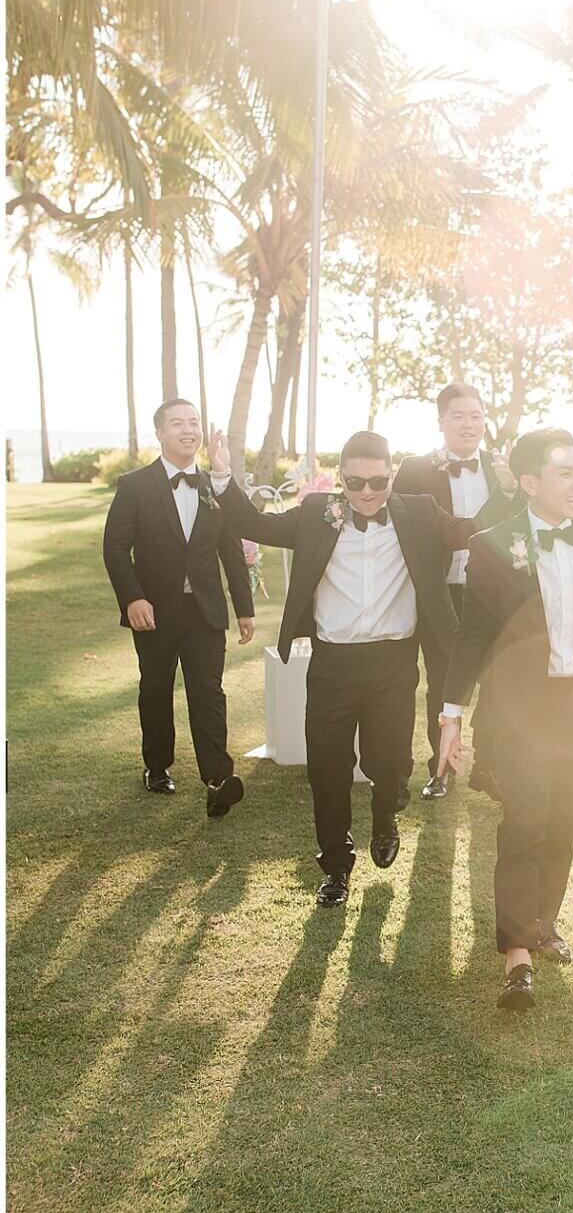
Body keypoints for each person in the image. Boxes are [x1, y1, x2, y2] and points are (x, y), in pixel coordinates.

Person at [436, 429, 573, 1011]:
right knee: (527, 817)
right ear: (530, 482)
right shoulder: (492, 544)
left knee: (564, 818)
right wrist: (451, 712)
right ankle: (517, 955)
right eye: (565, 472)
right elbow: (474, 634)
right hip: (523, 707)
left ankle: (543, 922)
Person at [208, 426, 461, 906]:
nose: (367, 492)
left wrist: (518, 494)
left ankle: (386, 813)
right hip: (332, 663)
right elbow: (255, 524)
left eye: (378, 482)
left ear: (392, 475)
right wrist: (224, 475)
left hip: (393, 660)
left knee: (387, 763)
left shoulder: (420, 512)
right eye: (355, 482)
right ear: (340, 479)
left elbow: (469, 531)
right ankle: (336, 866)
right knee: (327, 767)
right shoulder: (314, 513)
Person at [102, 397, 255, 814]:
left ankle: (218, 778)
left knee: (209, 692)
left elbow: (231, 550)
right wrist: (133, 597)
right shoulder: (134, 485)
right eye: (177, 423)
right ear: (160, 432)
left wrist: (244, 607)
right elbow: (115, 547)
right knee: (155, 688)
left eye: (193, 423)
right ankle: (157, 766)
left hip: (204, 609)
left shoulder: (213, 486)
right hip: (152, 610)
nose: (188, 430)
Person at [392, 383, 516, 800]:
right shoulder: (415, 467)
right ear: (441, 421)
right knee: (444, 682)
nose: (468, 423)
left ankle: (489, 764)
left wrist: (510, 489)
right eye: (458, 415)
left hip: (494, 593)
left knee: (500, 679)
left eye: (476, 415)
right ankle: (440, 767)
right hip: (440, 592)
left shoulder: (506, 469)